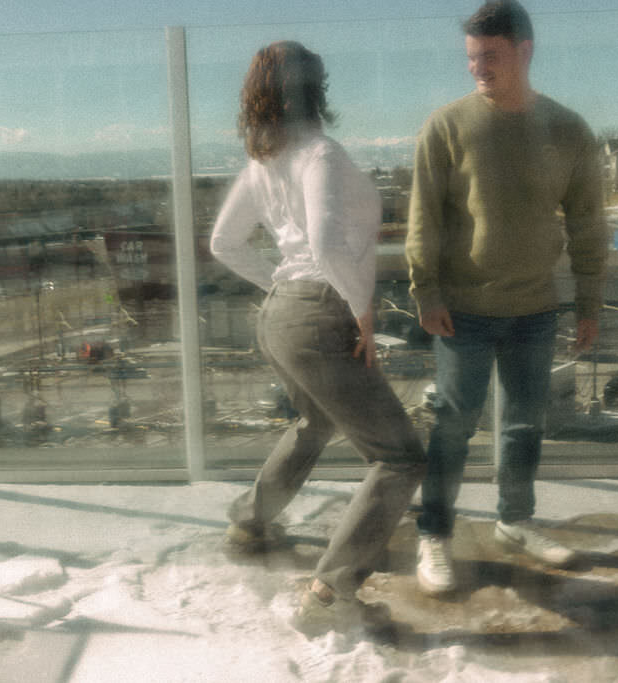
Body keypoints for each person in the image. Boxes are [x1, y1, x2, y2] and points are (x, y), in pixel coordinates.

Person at [210, 41, 427, 635]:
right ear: (317, 87)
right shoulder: (321, 155)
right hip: (321, 313)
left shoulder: (264, 162)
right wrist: (362, 314)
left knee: (316, 422)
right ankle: (331, 595)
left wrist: (280, 287)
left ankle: (249, 523)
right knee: (400, 457)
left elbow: (224, 245)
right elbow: (329, 246)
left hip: (281, 316)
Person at [405, 0, 608, 595]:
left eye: (489, 56)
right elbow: (424, 217)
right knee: (452, 427)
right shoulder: (446, 126)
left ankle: (515, 521)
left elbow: (589, 223)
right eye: (471, 58)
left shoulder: (569, 130)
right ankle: (434, 533)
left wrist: (589, 302)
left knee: (523, 426)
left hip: (535, 310)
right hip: (461, 311)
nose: (477, 69)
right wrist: (425, 288)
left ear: (525, 50)